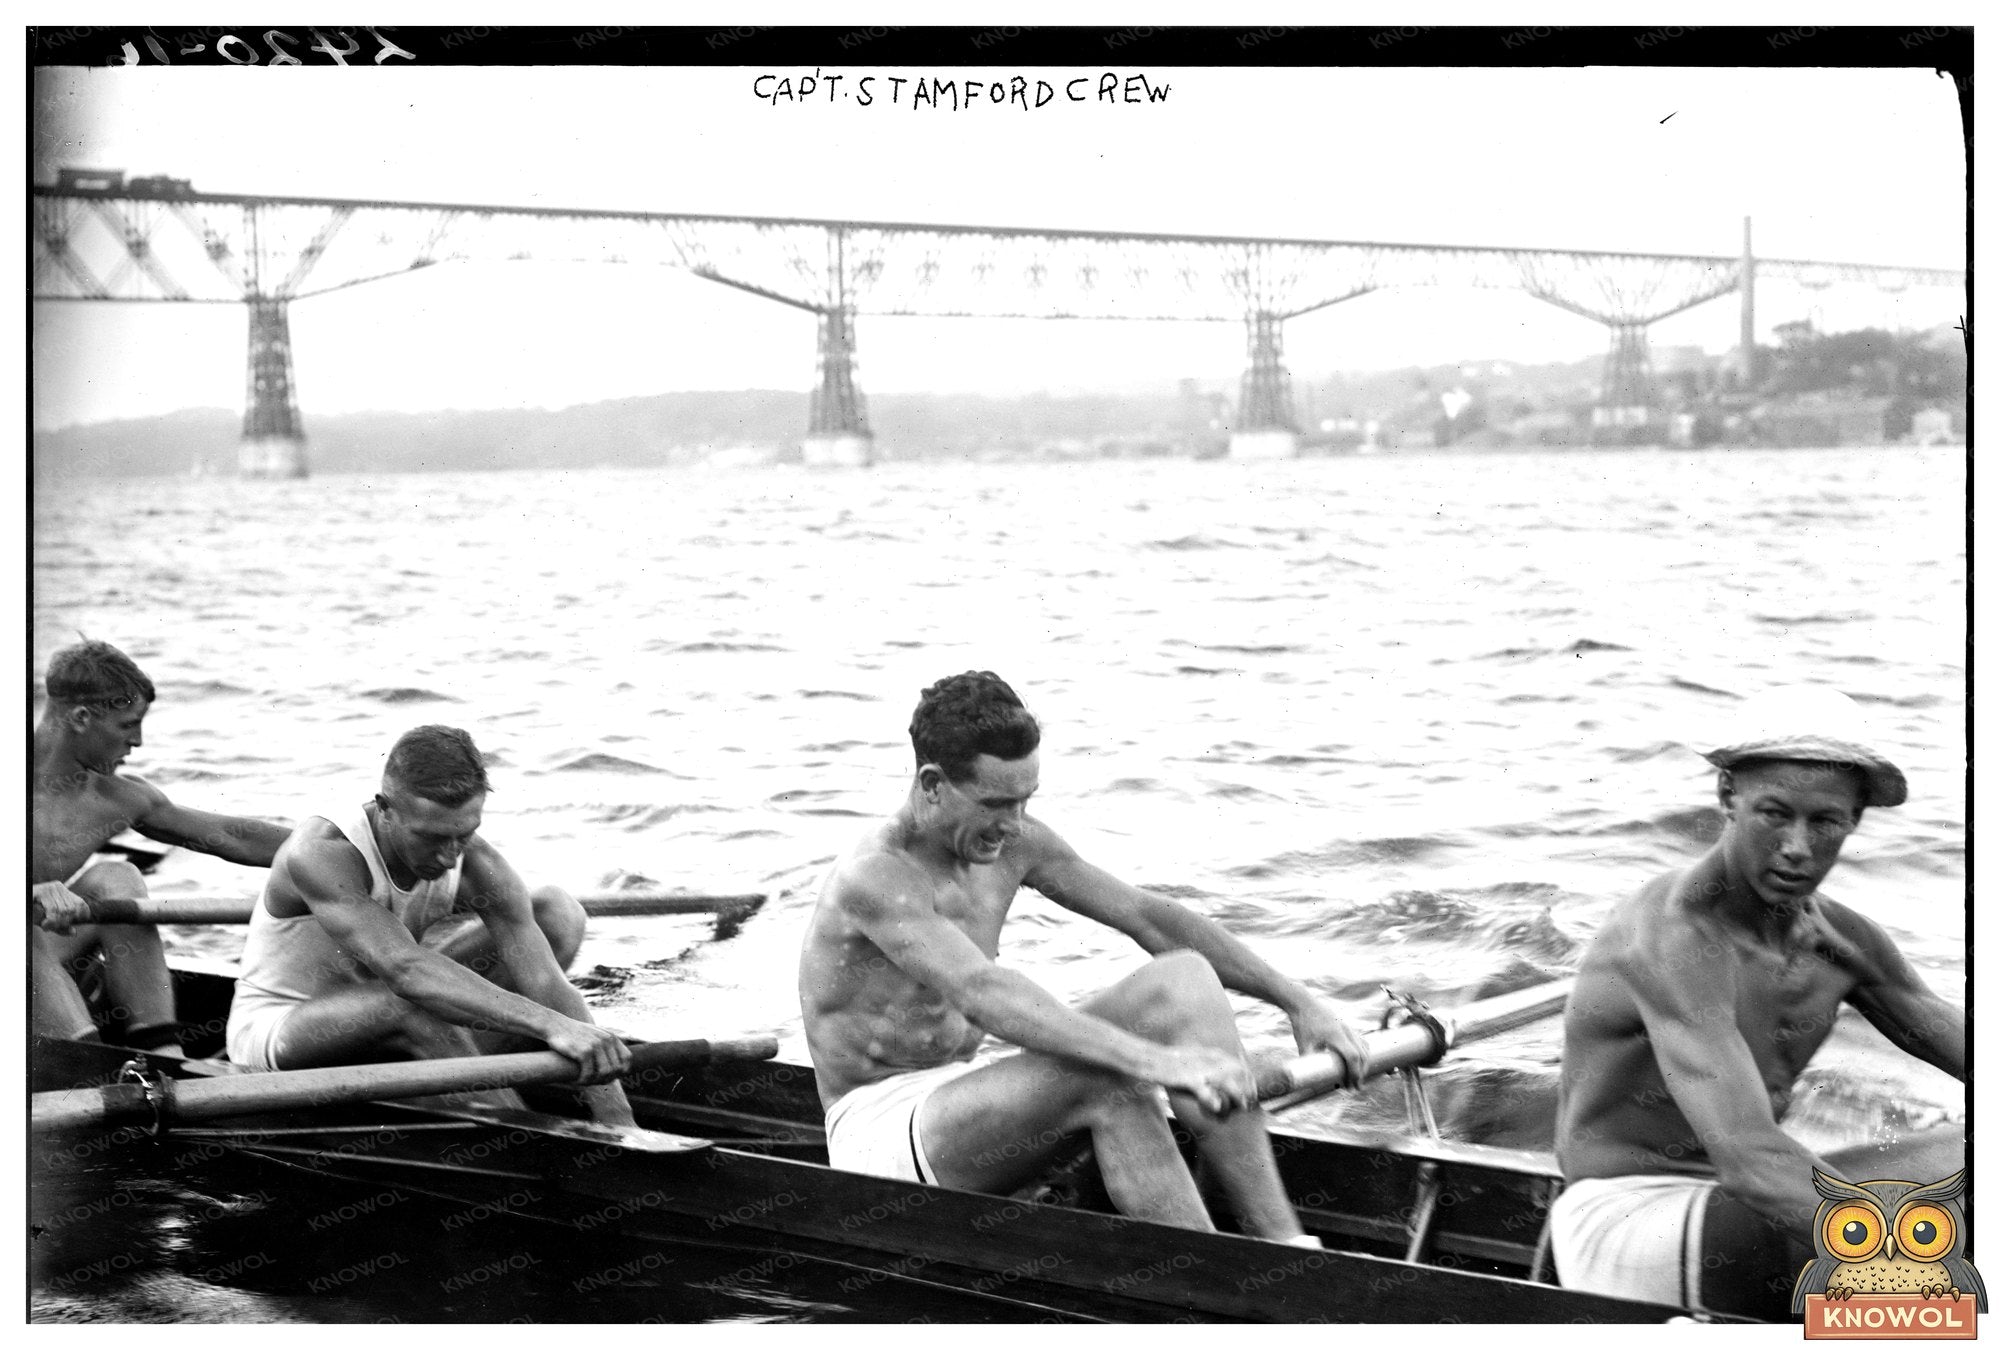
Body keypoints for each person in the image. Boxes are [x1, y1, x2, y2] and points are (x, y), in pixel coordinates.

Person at [798, 670, 1369, 1240]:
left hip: (960, 1096)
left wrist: (1298, 1002)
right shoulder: (875, 876)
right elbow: (981, 992)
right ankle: (1213, 1274)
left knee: (1183, 980)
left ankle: (1286, 1245)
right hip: (880, 1136)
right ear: (931, 784)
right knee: (1108, 1077)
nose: (1013, 825)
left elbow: (1147, 916)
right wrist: (1160, 1063)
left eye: (1025, 800)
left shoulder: (1013, 840)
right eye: (996, 804)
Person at [1552, 686, 1964, 1319]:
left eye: (1824, 822)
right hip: (1629, 1223)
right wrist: (1926, 1268)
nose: (1797, 846)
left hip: (1741, 1208)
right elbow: (1751, 1163)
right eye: (1775, 813)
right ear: (1727, 796)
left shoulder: (1843, 940)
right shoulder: (1671, 937)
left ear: (1854, 821)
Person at [225, 724, 635, 1126]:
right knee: (412, 1002)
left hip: (392, 1017)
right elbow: (406, 971)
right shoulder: (322, 851)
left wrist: (617, 1114)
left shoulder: (475, 861)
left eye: (464, 834)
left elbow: (545, 983)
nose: (449, 858)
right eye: (431, 838)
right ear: (385, 809)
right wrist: (550, 1025)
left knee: (554, 912)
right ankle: (521, 1136)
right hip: (281, 1033)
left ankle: (471, 1081)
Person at [32, 639, 293, 1054]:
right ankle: (84, 1058)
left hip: (41, 956)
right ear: (81, 718)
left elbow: (232, 836)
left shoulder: (116, 797)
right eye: (127, 725)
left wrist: (340, 848)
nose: (137, 741)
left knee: (117, 878)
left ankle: (161, 1052)